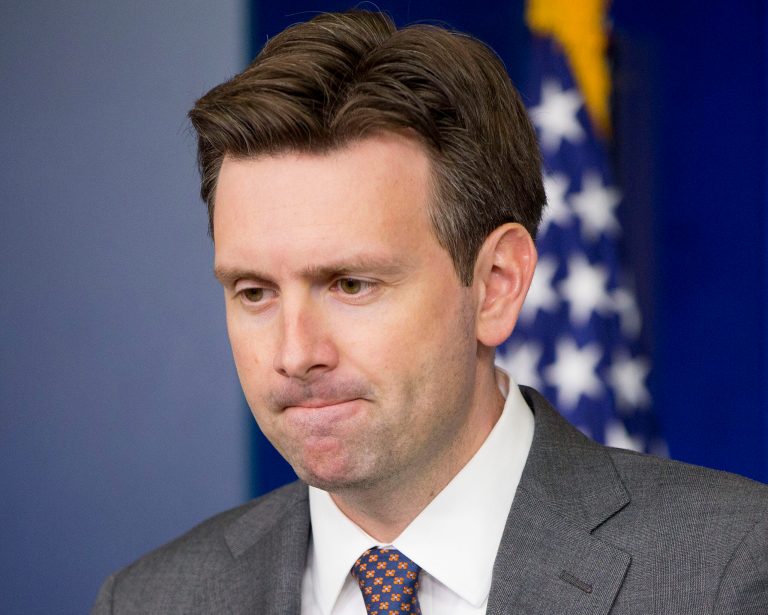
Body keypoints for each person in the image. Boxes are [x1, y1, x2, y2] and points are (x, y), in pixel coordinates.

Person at [93, 10, 768, 614]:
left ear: (497, 284)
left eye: (351, 283)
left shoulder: (730, 570)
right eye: (253, 292)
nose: (294, 353)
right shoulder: (152, 598)